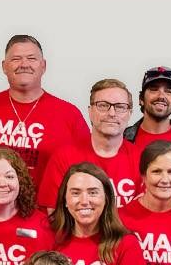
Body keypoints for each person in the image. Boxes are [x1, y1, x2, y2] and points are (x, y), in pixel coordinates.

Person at [0, 36, 87, 192]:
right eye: (16, 59)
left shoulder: (69, 114)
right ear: (4, 66)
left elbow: (87, 168)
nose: (24, 64)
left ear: (43, 66)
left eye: (31, 58)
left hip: (48, 212)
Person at [46, 79, 145, 207]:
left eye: (120, 107)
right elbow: (54, 212)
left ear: (129, 114)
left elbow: (144, 214)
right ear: (90, 111)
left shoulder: (143, 160)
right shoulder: (64, 157)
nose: (111, 113)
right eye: (103, 105)